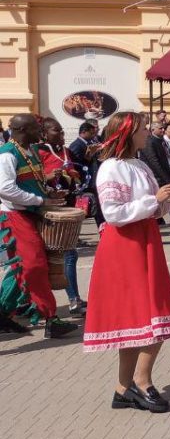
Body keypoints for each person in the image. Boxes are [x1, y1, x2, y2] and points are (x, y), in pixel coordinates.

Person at [83, 112, 170, 413]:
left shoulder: (138, 164)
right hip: (124, 246)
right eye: (143, 129)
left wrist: (166, 198)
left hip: (145, 241)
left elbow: (153, 208)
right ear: (128, 134)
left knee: (140, 318)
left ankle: (122, 388)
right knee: (151, 314)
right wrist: (153, 199)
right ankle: (142, 383)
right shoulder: (110, 168)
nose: (147, 132)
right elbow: (113, 213)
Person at [0, 113, 76, 338]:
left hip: (31, 213)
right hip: (14, 216)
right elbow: (5, 189)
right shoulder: (6, 155)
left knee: (21, 268)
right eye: (35, 128)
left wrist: (50, 192)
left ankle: (4, 312)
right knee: (34, 265)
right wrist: (41, 200)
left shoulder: (30, 151)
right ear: (22, 130)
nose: (39, 132)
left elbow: (34, 180)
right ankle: (50, 318)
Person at [35, 117, 87, 317]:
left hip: (65, 206)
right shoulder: (38, 152)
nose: (61, 135)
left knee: (63, 256)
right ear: (44, 133)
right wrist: (47, 178)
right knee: (66, 254)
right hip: (47, 211)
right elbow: (31, 179)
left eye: (62, 131)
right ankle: (72, 300)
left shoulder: (64, 151)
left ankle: (72, 299)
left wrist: (73, 176)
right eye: (57, 131)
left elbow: (75, 170)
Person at [140, 121, 170, 237]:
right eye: (160, 128)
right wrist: (167, 179)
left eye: (163, 128)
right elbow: (154, 162)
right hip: (157, 177)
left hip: (168, 174)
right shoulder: (149, 142)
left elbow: (169, 158)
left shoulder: (162, 140)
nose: (163, 130)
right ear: (153, 130)